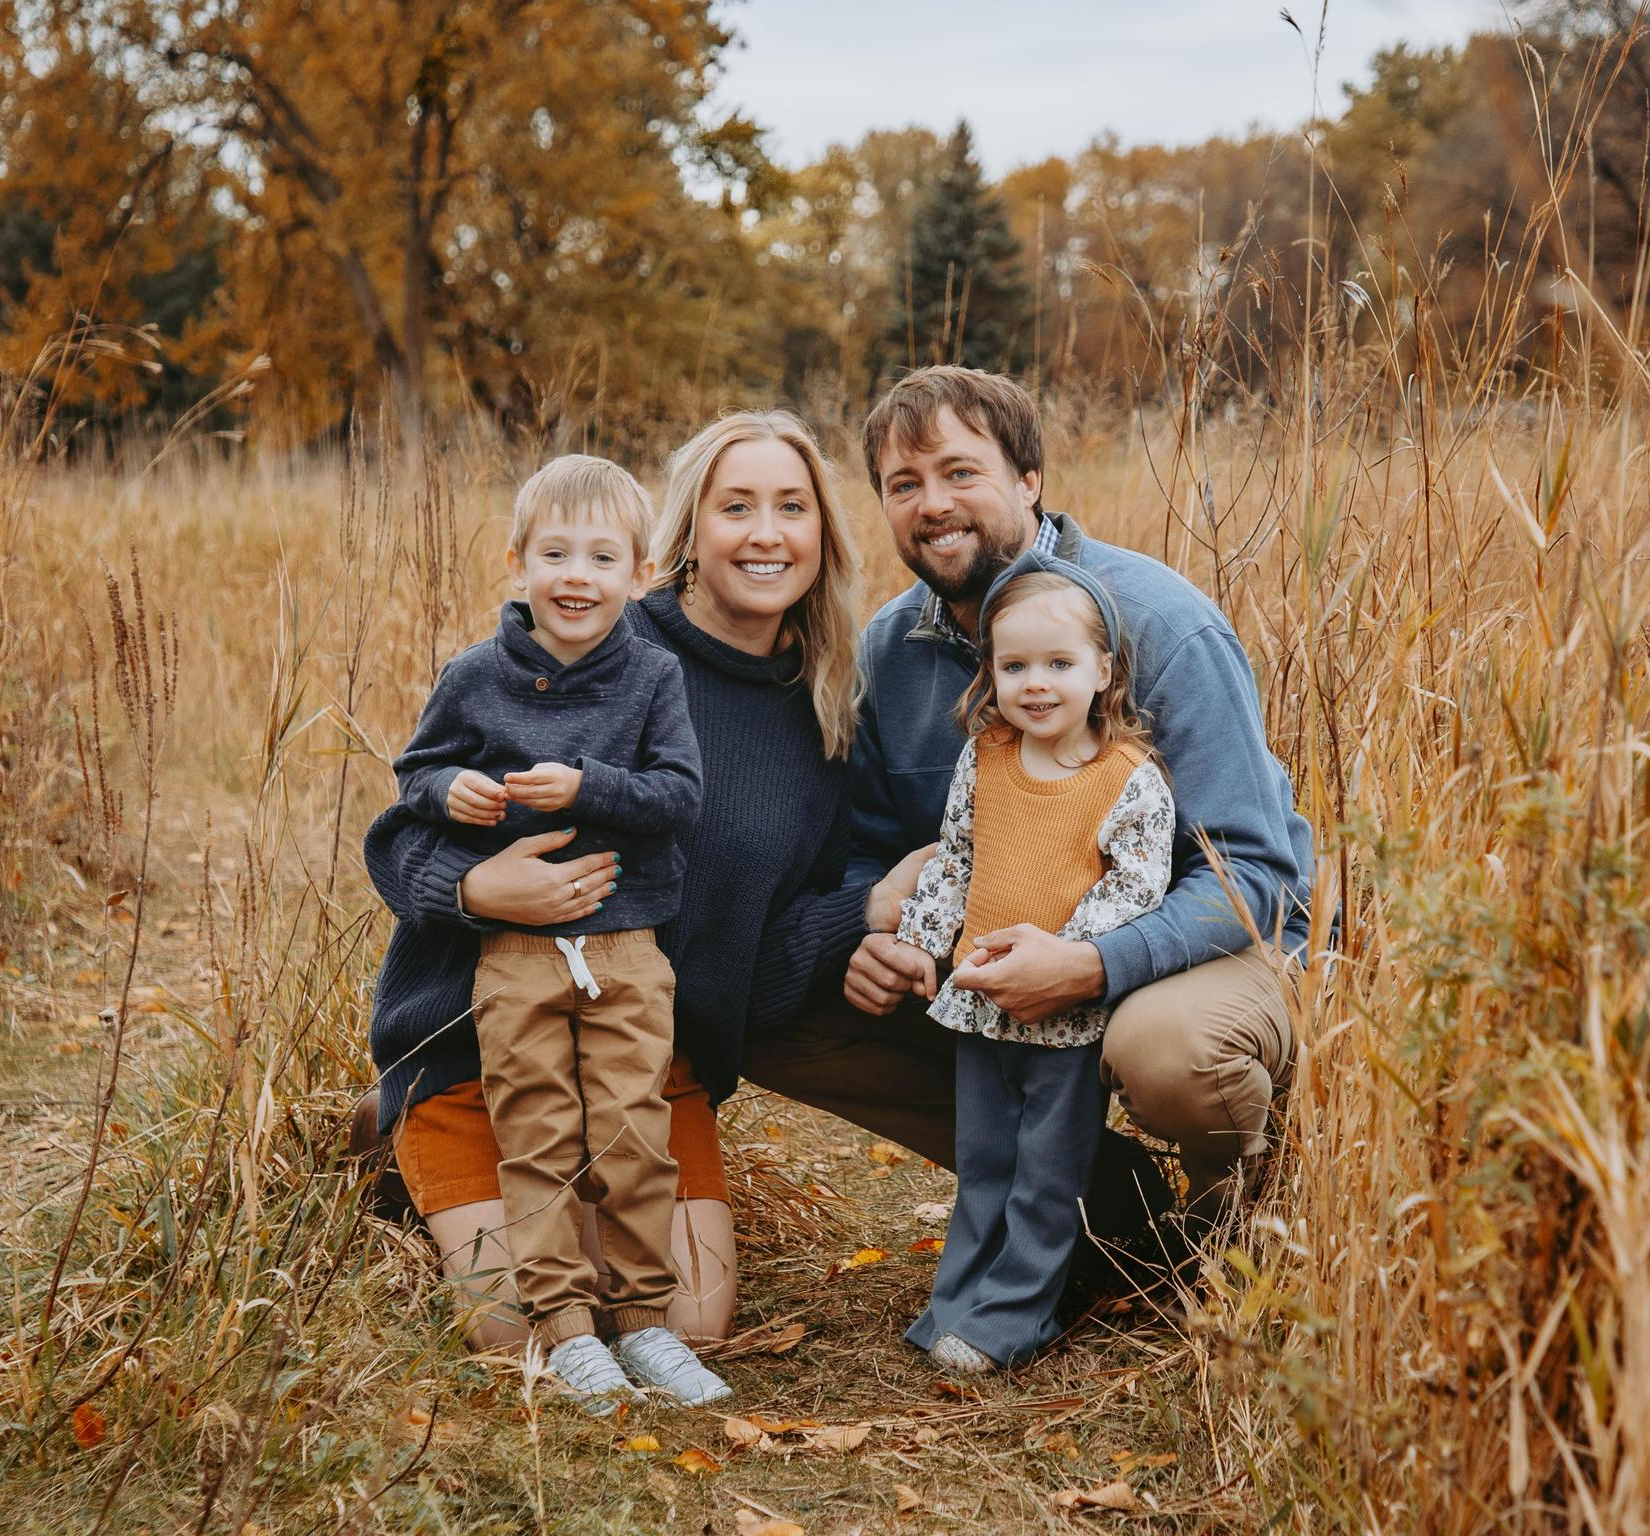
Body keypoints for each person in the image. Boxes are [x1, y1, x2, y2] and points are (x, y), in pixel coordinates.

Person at [743, 366, 1314, 1259]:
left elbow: (1251, 871)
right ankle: (1103, 1206)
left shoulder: (1157, 623)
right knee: (772, 1003)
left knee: (1167, 1050)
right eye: (905, 484)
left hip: (1200, 945)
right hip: (999, 957)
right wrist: (878, 937)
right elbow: (869, 845)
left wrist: (1091, 964)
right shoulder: (890, 653)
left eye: (960, 473)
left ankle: (1239, 1225)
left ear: (1028, 481)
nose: (933, 504)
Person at [360, 411, 876, 1355]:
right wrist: (479, 892)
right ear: (680, 535)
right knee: (523, 1332)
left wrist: (867, 911)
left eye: (792, 507)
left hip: (644, 1062)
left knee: (687, 1320)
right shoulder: (595, 639)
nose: (766, 533)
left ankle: (576, 1209)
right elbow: (398, 838)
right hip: (484, 1047)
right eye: (737, 506)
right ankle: (409, 1149)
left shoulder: (828, 708)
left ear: (823, 535)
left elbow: (753, 955)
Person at [379, 452, 727, 1412]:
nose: (578, 575)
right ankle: (569, 1331)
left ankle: (647, 1321)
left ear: (641, 574)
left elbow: (680, 797)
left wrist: (588, 786)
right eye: (556, 554)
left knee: (630, 1128)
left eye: (602, 557)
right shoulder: (474, 676)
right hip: (512, 956)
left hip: (625, 949)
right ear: (516, 563)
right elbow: (416, 775)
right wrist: (453, 789)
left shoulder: (654, 676)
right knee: (531, 1130)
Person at [892, 559, 1174, 1371]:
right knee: (984, 1161)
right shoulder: (987, 757)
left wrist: (1062, 957)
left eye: (1059, 664)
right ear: (991, 675)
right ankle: (959, 1302)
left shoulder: (1128, 778)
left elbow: (1137, 885)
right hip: (981, 1000)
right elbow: (956, 859)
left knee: (1045, 1174)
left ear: (1103, 671)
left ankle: (1014, 1317)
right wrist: (920, 938)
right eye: (1014, 667)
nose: (1036, 684)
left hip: (1066, 1011)